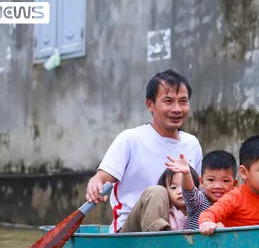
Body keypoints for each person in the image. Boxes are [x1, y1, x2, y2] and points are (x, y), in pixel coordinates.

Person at [85, 70, 203, 233]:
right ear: (150, 104)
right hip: (131, 233)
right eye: (168, 101)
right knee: (157, 191)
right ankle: (164, 239)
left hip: (182, 228)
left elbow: (197, 196)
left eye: (183, 101)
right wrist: (95, 185)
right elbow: (101, 178)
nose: (177, 109)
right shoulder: (130, 139)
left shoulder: (192, 144)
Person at [165, 150, 237, 230]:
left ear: (234, 183)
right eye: (211, 180)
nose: (218, 186)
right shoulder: (199, 201)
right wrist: (186, 174)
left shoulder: (236, 202)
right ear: (201, 181)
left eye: (225, 181)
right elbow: (190, 193)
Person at [156, 166, 200, 230]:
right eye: (173, 188)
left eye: (185, 187)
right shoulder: (166, 214)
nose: (180, 191)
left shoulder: (202, 207)